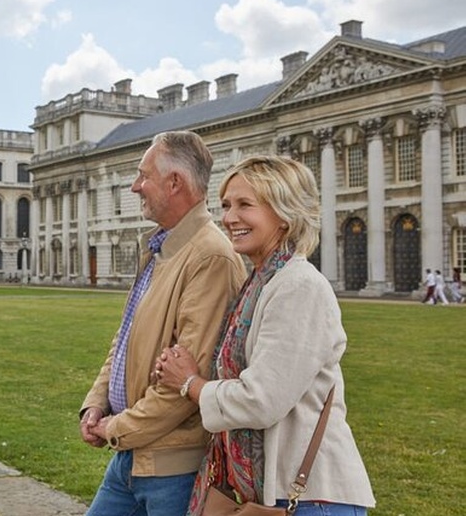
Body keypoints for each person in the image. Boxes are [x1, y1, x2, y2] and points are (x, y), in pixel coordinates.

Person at [155, 156, 375, 515]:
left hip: (311, 499)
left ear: (285, 214)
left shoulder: (299, 286)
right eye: (226, 205)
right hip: (270, 493)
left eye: (245, 205)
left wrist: (190, 384)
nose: (229, 217)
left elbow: (260, 400)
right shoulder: (259, 282)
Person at [80, 131, 246, 516]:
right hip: (132, 457)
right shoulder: (160, 247)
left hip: (174, 467)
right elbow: (124, 343)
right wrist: (96, 404)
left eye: (143, 176)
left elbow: (185, 380)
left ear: (175, 183)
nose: (136, 186)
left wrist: (116, 428)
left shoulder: (210, 257)